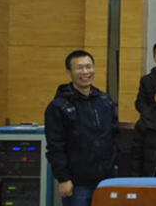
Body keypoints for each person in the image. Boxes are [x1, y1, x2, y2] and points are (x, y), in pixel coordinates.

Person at [45, 51, 118, 206]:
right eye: (79, 68)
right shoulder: (58, 106)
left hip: (108, 178)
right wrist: (63, 179)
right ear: (69, 72)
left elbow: (114, 134)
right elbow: (55, 146)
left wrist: (115, 165)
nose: (85, 72)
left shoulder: (105, 100)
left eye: (88, 67)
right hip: (77, 182)